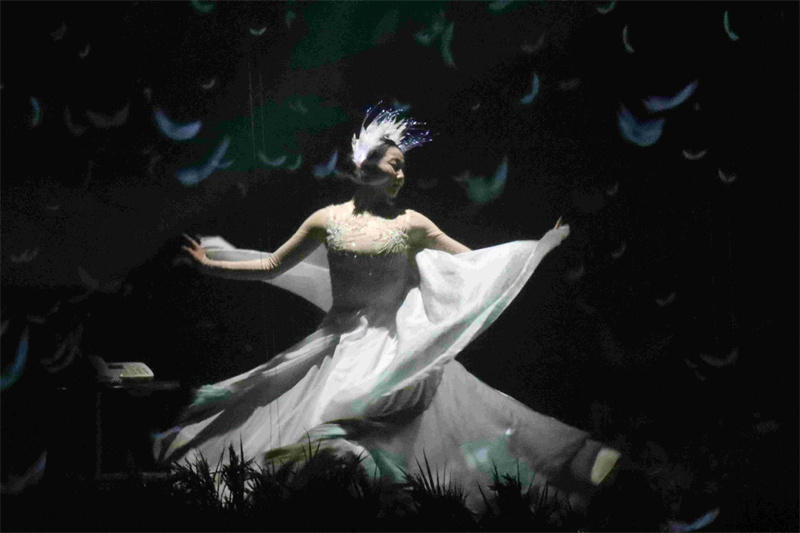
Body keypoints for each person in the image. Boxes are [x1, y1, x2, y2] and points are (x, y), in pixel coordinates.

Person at [153, 106, 620, 513]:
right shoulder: (326, 220)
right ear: (365, 164)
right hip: (338, 343)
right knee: (316, 425)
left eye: (403, 168)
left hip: (396, 344)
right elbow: (272, 265)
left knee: (460, 417)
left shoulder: (411, 223)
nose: (401, 175)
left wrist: (537, 248)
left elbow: (472, 261)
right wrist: (210, 266)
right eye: (395, 165)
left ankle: (574, 466)